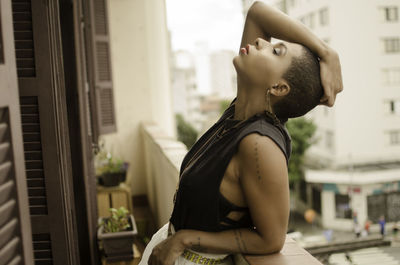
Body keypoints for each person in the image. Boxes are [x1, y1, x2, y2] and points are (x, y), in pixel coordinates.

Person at [140, 2, 342, 265]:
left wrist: (183, 239)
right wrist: (326, 52)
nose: (261, 42)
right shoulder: (239, 112)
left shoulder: (259, 144)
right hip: (168, 248)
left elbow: (271, 239)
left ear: (279, 87)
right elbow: (258, 12)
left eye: (276, 50)